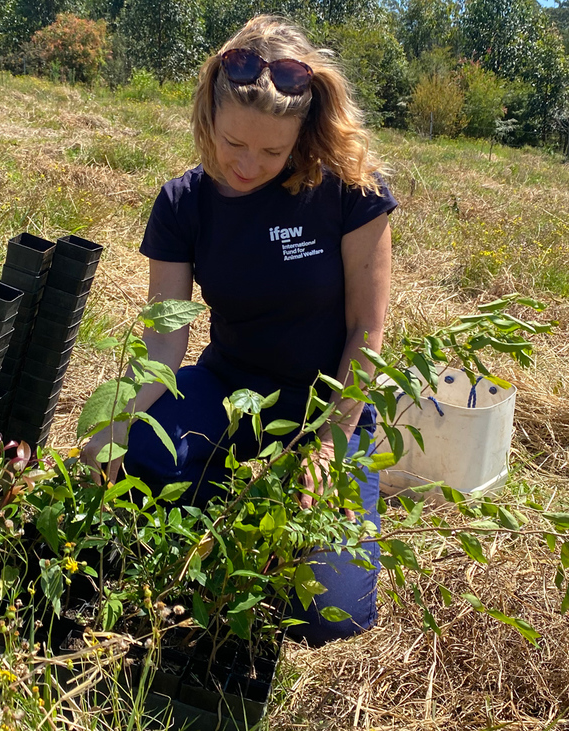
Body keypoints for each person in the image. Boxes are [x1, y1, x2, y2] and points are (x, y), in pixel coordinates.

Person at [82, 15, 396, 645]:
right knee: (138, 469)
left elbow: (366, 331)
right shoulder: (182, 204)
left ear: (304, 134)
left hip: (328, 406)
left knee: (328, 616)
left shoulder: (350, 194)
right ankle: (225, 489)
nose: (248, 166)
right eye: (233, 144)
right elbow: (166, 344)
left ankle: (288, 498)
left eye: (272, 152)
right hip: (228, 389)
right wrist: (115, 424)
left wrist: (329, 442)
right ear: (209, 117)